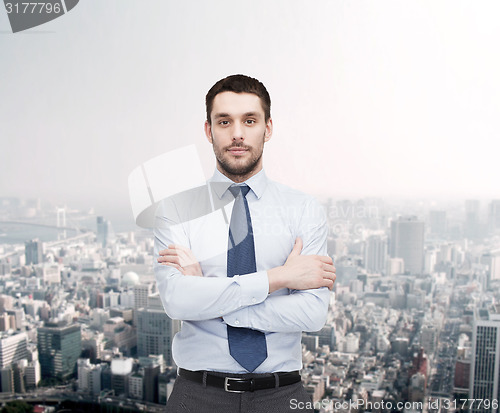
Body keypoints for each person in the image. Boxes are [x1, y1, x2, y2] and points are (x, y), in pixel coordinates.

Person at [154, 74, 336, 413]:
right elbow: (177, 301)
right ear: (209, 130)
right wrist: (279, 278)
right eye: (224, 121)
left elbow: (312, 313)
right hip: (196, 394)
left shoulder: (303, 210)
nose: (237, 133)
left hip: (282, 395)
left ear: (267, 128)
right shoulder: (176, 210)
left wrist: (210, 297)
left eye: (249, 121)